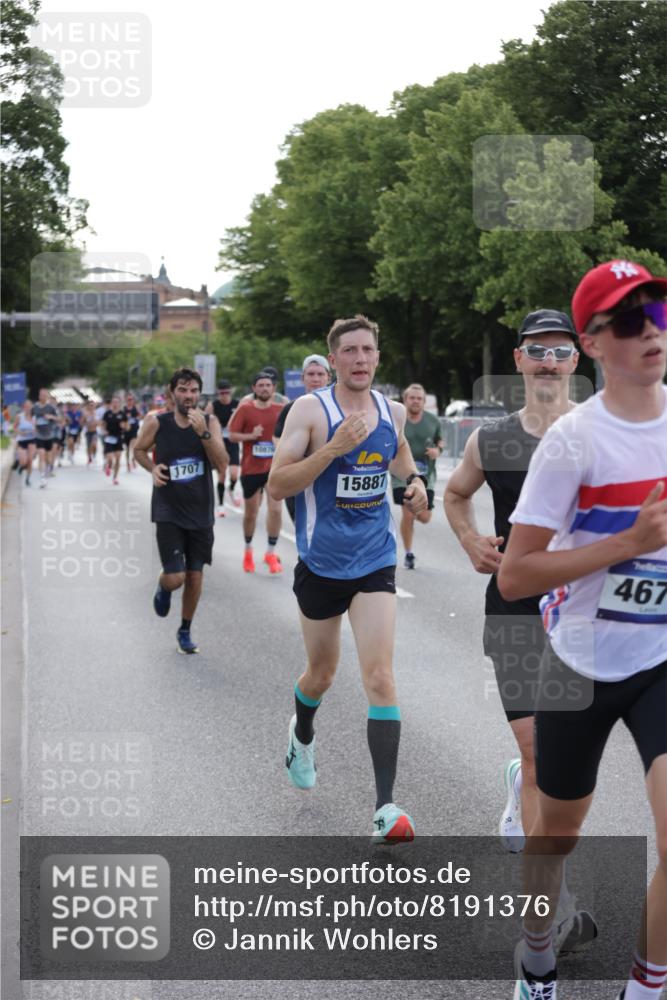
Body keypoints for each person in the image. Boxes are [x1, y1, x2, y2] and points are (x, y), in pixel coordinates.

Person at [497, 261, 667, 1000]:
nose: (650, 332)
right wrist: (626, 544)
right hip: (576, 664)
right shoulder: (572, 441)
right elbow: (514, 575)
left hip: (659, 658)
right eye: (628, 321)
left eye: (657, 310)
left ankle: (645, 986)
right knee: (555, 836)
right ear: (593, 344)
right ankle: (536, 954)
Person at [268, 314, 428, 842]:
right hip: (320, 564)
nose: (360, 359)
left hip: (375, 560)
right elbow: (277, 485)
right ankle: (303, 734)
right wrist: (333, 448)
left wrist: (416, 482)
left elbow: (400, 456)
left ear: (377, 357)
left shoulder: (393, 410)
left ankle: (385, 808)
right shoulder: (310, 411)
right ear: (332, 359)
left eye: (368, 350)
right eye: (350, 351)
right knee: (321, 675)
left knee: (380, 677)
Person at [445, 310, 580, 853]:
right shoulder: (491, 440)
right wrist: (471, 540)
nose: (549, 362)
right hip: (515, 610)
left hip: (581, 613)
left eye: (560, 351)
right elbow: (455, 494)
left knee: (562, 761)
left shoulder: (599, 434)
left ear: (577, 359)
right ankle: (553, 904)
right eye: (538, 350)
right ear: (519, 359)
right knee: (538, 755)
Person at [134, 367, 228, 654]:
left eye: (194, 391)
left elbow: (221, 462)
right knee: (177, 578)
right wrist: (153, 468)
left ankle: (185, 629)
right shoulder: (157, 423)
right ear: (171, 392)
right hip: (168, 510)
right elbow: (138, 450)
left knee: (195, 576)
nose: (189, 396)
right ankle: (164, 586)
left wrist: (203, 434)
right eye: (183, 390)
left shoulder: (208, 422)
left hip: (200, 511)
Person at [228, 372, 285, 574]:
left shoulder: (281, 410)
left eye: (268, 385)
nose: (264, 388)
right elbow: (232, 435)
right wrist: (251, 436)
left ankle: (270, 552)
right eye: (260, 385)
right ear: (254, 388)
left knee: (276, 510)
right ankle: (248, 550)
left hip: (273, 469)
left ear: (274, 388)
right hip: (251, 468)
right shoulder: (245, 409)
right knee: (251, 513)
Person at [273, 354, 332, 523]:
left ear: (329, 377)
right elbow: (276, 438)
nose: (316, 379)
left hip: (330, 483)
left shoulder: (339, 407)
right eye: (311, 374)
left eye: (320, 374)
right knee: (305, 533)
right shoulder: (292, 409)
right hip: (299, 482)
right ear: (303, 378)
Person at [391, 383, 443, 569]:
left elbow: (441, 442)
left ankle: (412, 520)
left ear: (424, 401)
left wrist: (437, 451)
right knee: (408, 509)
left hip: (426, 474)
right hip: (401, 474)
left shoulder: (433, 421)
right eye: (412, 398)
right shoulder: (398, 419)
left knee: (424, 516)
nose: (415, 401)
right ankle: (408, 553)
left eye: (419, 398)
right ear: (405, 400)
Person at [205, 380, 241, 514]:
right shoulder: (212, 405)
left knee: (234, 474)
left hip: (232, 442)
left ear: (230, 392)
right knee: (222, 474)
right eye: (221, 393)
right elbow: (205, 422)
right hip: (219, 443)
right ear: (218, 393)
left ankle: (231, 488)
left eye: (227, 393)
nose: (224, 396)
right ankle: (220, 505)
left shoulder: (237, 404)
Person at [32, 388, 58, 487]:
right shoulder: (35, 408)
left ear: (47, 396)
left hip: (49, 435)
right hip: (39, 435)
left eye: (44, 395)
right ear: (39, 396)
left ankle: (47, 471)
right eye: (41, 395)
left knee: (48, 458)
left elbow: (58, 419)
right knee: (41, 455)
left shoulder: (51, 408)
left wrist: (51, 417)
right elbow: (30, 418)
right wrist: (33, 424)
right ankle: (42, 477)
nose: (42, 396)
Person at [100, 397, 127, 485]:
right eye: (113, 402)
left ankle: (115, 478)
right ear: (111, 403)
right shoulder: (107, 413)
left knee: (118, 459)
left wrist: (124, 426)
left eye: (117, 402)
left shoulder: (122, 414)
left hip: (119, 437)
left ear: (119, 403)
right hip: (109, 437)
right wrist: (104, 431)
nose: (115, 404)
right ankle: (108, 465)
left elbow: (127, 426)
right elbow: (102, 424)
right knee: (110, 458)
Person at [13, 400, 37, 485]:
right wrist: (20, 432)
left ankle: (27, 479)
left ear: (31, 407)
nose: (28, 408)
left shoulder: (34, 417)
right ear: (24, 407)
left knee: (30, 460)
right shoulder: (19, 417)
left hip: (32, 439)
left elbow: (37, 429)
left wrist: (35, 431)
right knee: (24, 461)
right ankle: (21, 466)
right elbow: (14, 428)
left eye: (29, 406)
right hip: (22, 440)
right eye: (26, 406)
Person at [122, 392, 140, 472]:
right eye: (128, 399)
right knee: (127, 449)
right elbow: (121, 420)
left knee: (133, 447)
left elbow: (140, 416)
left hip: (134, 430)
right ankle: (127, 463)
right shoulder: (124, 409)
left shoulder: (135, 408)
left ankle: (133, 459)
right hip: (126, 431)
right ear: (126, 400)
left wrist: (136, 418)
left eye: (131, 399)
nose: (130, 401)